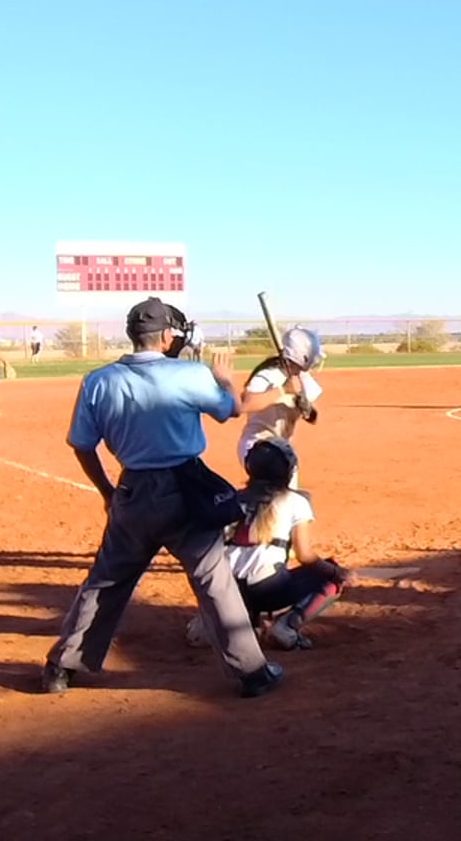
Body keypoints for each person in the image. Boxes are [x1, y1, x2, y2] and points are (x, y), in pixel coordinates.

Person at [42, 297, 283, 698]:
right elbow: (231, 410)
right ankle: (252, 672)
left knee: (107, 580)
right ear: (168, 336)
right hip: (186, 489)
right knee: (213, 579)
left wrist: (108, 492)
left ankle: (62, 668)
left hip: (133, 490)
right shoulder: (189, 373)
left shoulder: (99, 381)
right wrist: (225, 379)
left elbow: (82, 445)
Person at [186, 437, 350, 652]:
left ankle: (217, 621)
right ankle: (287, 626)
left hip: (226, 588)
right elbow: (305, 556)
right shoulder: (295, 501)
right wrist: (338, 572)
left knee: (229, 576)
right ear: (288, 470)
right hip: (268, 589)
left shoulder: (232, 498)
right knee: (331, 576)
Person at [237, 326, 325, 470]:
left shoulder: (303, 378)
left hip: (282, 449)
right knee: (275, 480)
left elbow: (314, 418)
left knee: (287, 478)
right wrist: (283, 390)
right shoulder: (268, 375)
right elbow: (246, 405)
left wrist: (306, 407)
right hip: (256, 447)